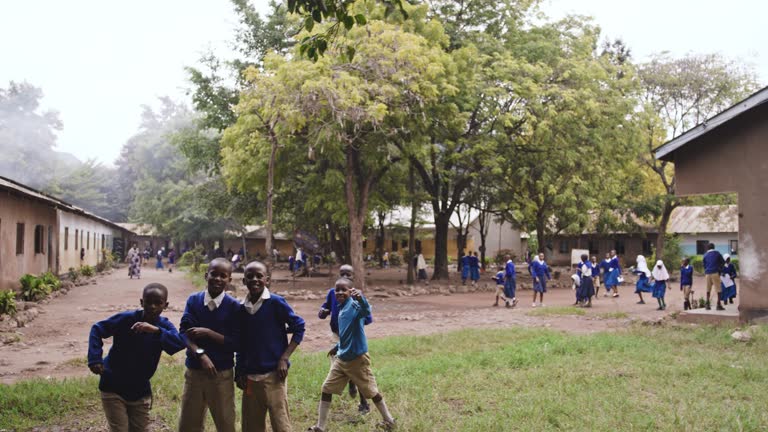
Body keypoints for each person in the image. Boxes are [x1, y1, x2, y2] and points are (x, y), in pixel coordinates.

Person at [88, 283, 185, 432]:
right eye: (148, 302)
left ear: (165, 305)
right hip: (113, 385)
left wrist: (156, 331)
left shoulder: (163, 326)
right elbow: (97, 329)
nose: (152, 306)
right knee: (119, 429)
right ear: (141, 302)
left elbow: (178, 343)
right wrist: (95, 359)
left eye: (157, 303)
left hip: (139, 391)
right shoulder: (126, 319)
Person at [307, 278, 396, 432]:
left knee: (371, 392)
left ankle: (389, 420)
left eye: (344, 290)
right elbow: (346, 334)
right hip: (342, 359)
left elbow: (366, 311)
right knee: (326, 388)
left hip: (357, 359)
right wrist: (337, 347)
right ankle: (320, 427)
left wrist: (361, 299)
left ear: (350, 291)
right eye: (337, 290)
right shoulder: (341, 307)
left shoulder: (354, 306)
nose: (340, 292)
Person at [236, 261, 305, 432]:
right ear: (244, 281)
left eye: (259, 276)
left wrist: (284, 357)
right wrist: (239, 370)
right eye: (250, 276)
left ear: (267, 279)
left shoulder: (276, 303)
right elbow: (241, 343)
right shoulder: (241, 309)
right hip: (250, 377)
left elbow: (299, 327)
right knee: (251, 425)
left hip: (274, 375)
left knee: (281, 423)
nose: (255, 280)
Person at [178, 258, 241, 432]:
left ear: (229, 280)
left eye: (223, 276)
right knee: (189, 423)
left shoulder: (234, 307)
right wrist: (201, 354)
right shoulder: (194, 301)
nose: (218, 279)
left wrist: (209, 333)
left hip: (221, 375)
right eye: (214, 274)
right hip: (195, 372)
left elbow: (236, 342)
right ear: (206, 275)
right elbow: (184, 333)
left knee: (225, 422)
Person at [318, 265, 373, 414]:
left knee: (357, 371)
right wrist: (323, 312)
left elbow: (367, 318)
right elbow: (323, 311)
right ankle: (348, 383)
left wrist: (353, 317)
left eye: (348, 274)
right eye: (342, 274)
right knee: (338, 368)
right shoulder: (333, 293)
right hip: (337, 336)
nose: (345, 277)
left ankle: (364, 403)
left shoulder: (357, 296)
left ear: (353, 277)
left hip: (352, 338)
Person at [702, 243, 725, 310]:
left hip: (707, 273)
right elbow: (723, 262)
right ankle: (718, 304)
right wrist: (719, 270)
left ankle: (707, 304)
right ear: (714, 247)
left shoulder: (705, 255)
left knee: (708, 289)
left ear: (707, 248)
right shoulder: (717, 253)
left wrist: (706, 270)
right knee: (718, 289)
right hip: (715, 272)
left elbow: (704, 264)